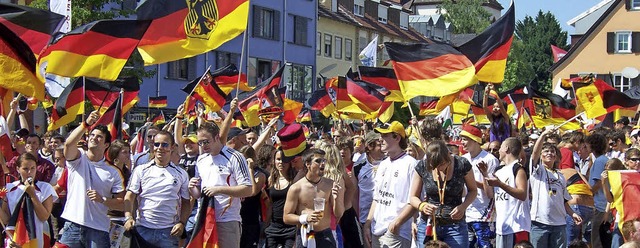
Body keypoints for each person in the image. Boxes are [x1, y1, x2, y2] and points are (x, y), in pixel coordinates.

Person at [59, 110, 125, 247]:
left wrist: (103, 199)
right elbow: (68, 145)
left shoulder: (113, 171)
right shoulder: (78, 158)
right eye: (92, 135)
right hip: (72, 225)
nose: (94, 138)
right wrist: (86, 124)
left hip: (98, 229)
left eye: (99, 137)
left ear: (106, 145)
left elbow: (122, 202)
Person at [189, 122, 254, 248]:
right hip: (204, 218)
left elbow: (248, 189)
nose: (203, 146)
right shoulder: (201, 159)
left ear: (217, 137)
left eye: (206, 141)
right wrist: (192, 187)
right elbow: (199, 194)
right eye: (200, 143)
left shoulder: (235, 157)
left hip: (227, 220)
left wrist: (219, 190)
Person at [124, 131, 190, 247]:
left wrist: (182, 223)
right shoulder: (140, 170)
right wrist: (128, 217)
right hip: (143, 229)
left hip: (168, 231)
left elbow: (186, 202)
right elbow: (130, 196)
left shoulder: (181, 173)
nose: (160, 148)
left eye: (164, 145)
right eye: (157, 144)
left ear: (172, 147)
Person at [409, 140, 477, 247]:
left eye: (441, 164)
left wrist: (463, 207)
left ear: (448, 157)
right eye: (433, 166)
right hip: (429, 224)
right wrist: (422, 206)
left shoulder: (462, 164)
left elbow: (473, 190)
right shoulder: (422, 166)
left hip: (455, 226)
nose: (438, 169)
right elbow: (413, 197)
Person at [364, 121, 418, 247]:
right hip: (376, 229)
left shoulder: (411, 164)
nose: (380, 140)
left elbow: (413, 200)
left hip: (396, 233)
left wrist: (396, 224)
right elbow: (377, 198)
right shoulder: (383, 164)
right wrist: (368, 223)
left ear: (397, 138)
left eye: (385, 136)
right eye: (380, 136)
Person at [529, 128, 582, 248]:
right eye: (546, 151)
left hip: (559, 223)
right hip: (540, 223)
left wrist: (573, 214)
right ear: (541, 155)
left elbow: (563, 200)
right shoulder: (538, 171)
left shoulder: (561, 176)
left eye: (552, 151)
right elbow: (534, 154)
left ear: (556, 156)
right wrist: (543, 135)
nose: (549, 153)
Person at [283, 148, 344, 248]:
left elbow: (339, 214)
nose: (322, 164)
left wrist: (337, 199)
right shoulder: (296, 188)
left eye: (324, 160)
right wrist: (305, 218)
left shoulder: (330, 184)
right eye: (318, 161)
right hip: (305, 235)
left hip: (325, 235)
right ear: (308, 164)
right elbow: (286, 217)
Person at [479, 137, 530, 248]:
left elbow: (522, 194)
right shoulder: (499, 170)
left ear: (506, 148)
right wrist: (485, 175)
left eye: (501, 147)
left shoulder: (518, 169)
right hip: (502, 226)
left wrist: (501, 184)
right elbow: (490, 194)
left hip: (517, 226)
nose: (499, 151)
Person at [0, 153, 57, 248]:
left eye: (33, 168)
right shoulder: (11, 188)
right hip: (15, 237)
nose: (29, 172)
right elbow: (7, 219)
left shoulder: (45, 188)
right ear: (18, 169)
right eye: (25, 169)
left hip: (38, 236)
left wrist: (33, 195)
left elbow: (44, 216)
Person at [459, 125, 499, 248]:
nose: (462, 142)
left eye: (465, 139)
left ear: (474, 140)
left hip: (484, 214)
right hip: (466, 212)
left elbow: (490, 193)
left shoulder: (489, 159)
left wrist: (472, 180)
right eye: (461, 139)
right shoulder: (462, 159)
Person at [264, 148, 297, 248]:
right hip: (274, 227)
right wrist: (266, 226)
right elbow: (270, 204)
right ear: (274, 161)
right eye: (278, 159)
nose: (281, 162)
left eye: (284, 159)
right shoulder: (271, 179)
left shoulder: (295, 179)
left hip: (290, 229)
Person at [239, 145, 268, 248]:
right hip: (238, 217)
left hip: (251, 220)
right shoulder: (237, 173)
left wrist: (250, 170)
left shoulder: (259, 175)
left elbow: (253, 191)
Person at [106, 140, 133, 247]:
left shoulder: (129, 173)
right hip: (110, 217)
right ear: (115, 153)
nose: (128, 155)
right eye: (124, 152)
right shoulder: (108, 172)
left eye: (129, 152)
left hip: (125, 218)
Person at [586, 133, 609, 248]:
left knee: (597, 239)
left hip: (600, 206)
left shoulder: (600, 161)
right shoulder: (602, 160)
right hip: (602, 205)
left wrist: (590, 192)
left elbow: (599, 182)